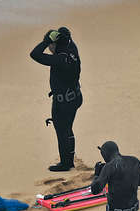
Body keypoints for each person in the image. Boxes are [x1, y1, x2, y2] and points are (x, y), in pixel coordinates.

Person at [30, 27, 82, 172]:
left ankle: (66, 164)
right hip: (75, 96)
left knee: (62, 131)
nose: (48, 48)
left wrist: (47, 40)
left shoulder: (60, 59)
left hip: (64, 102)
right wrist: (59, 34)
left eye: (49, 46)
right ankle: (68, 161)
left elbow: (34, 54)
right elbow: (65, 32)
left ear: (55, 44)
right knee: (67, 129)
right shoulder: (71, 47)